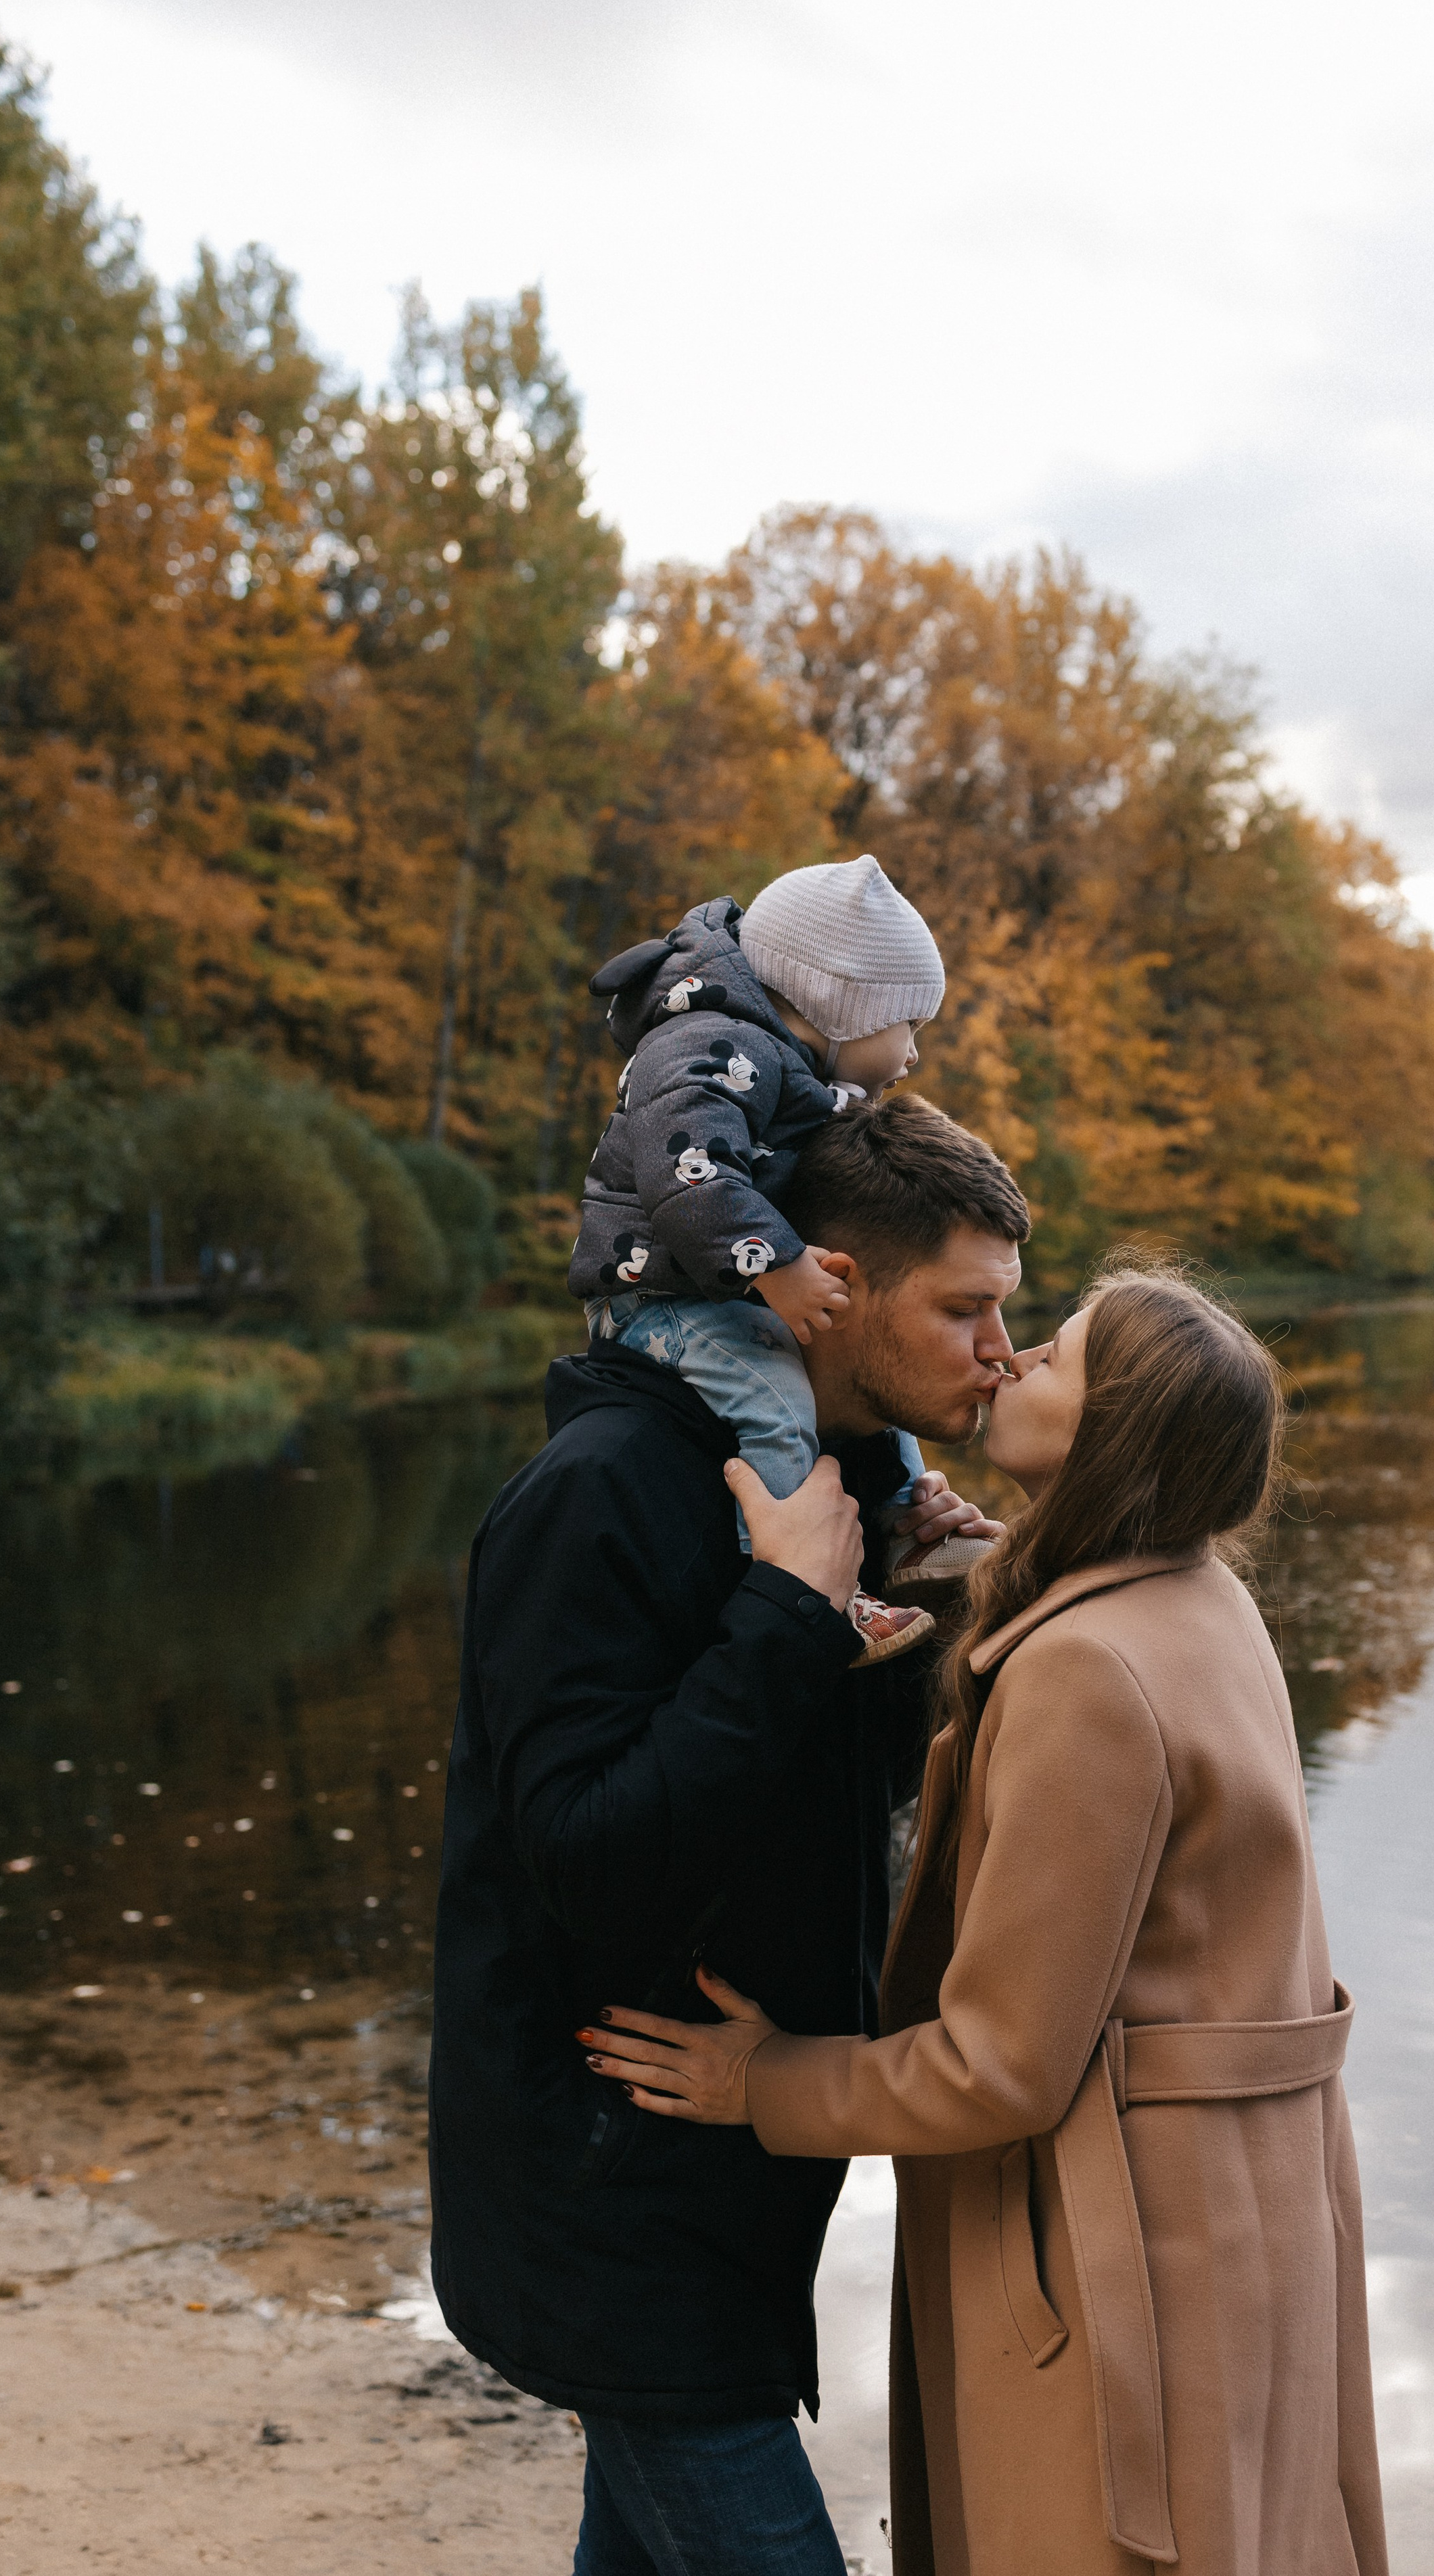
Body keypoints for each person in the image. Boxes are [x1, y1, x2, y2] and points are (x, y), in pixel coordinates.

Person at [583, 1264, 1391, 2576]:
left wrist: (764, 2082)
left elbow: (1001, 2064)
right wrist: (953, 1556)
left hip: (1120, 2254)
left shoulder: (1084, 1673)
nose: (1012, 1361)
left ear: (1111, 1436)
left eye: (1058, 1356)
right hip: (1251, 2213)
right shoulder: (1202, 1602)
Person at [428, 1095, 1030, 2576]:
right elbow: (584, 1863)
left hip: (732, 2175)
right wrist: (780, 1615)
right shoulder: (601, 1498)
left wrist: (894, 1621)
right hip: (610, 2184)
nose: (999, 1352)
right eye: (962, 1310)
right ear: (828, 1286)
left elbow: (818, 1803)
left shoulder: (834, 1494)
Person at [569, 855, 959, 1665]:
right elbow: (688, 1169)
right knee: (778, 1403)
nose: (914, 1054)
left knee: (870, 1387)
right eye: (907, 1027)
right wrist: (776, 1265)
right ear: (842, 1007)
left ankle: (905, 1529)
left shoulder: (772, 1057)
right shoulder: (711, 1044)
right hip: (659, 1296)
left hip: (713, 1284)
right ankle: (811, 1589)